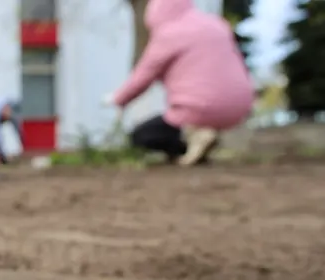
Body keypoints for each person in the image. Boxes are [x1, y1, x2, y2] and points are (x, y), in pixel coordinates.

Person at [104, 0, 254, 166]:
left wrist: (118, 100)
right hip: (240, 106)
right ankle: (200, 142)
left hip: (199, 108)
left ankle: (192, 141)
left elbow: (143, 76)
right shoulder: (216, 25)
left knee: (141, 136)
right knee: (189, 115)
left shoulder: (169, 35)